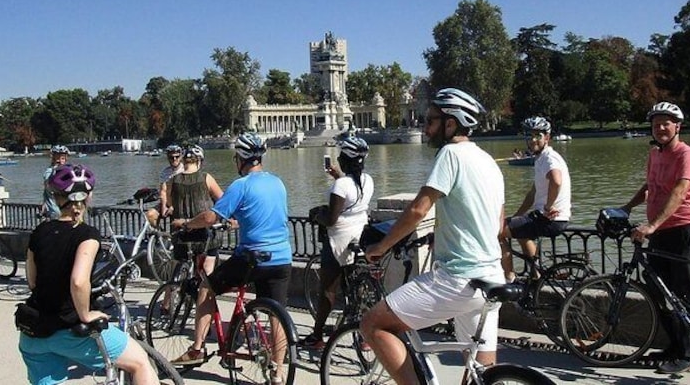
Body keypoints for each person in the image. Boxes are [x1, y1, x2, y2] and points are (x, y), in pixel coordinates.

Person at [360, 88, 505, 384]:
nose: (425, 127)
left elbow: (417, 210)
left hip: (456, 279)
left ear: (450, 123)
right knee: (482, 374)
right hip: (491, 277)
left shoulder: (450, 154)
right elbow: (498, 224)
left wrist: (381, 247)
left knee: (373, 324)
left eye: (430, 120)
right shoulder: (489, 162)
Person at [18, 164, 160, 385]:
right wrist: (85, 314)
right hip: (69, 329)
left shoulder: (39, 232)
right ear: (88, 197)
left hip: (33, 330)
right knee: (140, 362)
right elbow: (78, 281)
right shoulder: (87, 235)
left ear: (55, 198)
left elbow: (32, 282)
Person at [172, 133, 292, 384]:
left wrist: (187, 224)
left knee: (206, 287)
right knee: (276, 313)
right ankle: (279, 370)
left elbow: (210, 217)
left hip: (253, 258)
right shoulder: (278, 182)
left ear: (242, 159)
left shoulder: (241, 185)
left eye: (236, 158)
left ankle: (197, 348)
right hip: (282, 257)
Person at [620, 102, 690, 374]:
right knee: (657, 290)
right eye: (656, 124)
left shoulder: (686, 154)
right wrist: (626, 207)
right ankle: (675, 345)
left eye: (666, 123)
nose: (661, 128)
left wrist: (652, 225)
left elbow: (679, 192)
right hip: (658, 232)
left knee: (683, 292)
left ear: (677, 126)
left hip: (682, 231)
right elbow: (650, 187)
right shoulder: (655, 154)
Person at [302, 136, 375, 350]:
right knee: (355, 288)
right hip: (360, 235)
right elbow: (352, 196)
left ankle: (317, 337)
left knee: (328, 291)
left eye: (341, 156)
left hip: (338, 241)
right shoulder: (367, 180)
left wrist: (316, 216)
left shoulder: (341, 185)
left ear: (345, 158)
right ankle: (363, 337)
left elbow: (331, 219)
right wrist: (338, 176)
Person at [500, 116, 571, 282]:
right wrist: (516, 216)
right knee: (520, 231)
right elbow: (532, 193)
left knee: (497, 231)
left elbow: (556, 180)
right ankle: (536, 275)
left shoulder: (549, 158)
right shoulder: (540, 159)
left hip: (551, 218)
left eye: (538, 135)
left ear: (547, 137)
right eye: (529, 136)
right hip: (549, 217)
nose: (533, 140)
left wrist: (548, 206)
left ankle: (509, 276)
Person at [157, 145, 223, 317]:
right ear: (199, 161)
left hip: (181, 236)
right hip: (204, 235)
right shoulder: (206, 178)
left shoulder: (174, 181)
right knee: (207, 273)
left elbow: (170, 204)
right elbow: (223, 201)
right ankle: (208, 313)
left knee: (178, 268)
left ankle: (170, 302)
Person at [145, 144, 184, 227]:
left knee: (177, 222)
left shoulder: (185, 170)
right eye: (171, 157)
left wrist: (174, 206)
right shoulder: (165, 172)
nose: (174, 159)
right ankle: (161, 236)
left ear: (181, 156)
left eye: (177, 157)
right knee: (150, 215)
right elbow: (163, 191)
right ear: (167, 157)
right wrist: (163, 207)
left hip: (182, 203)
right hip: (167, 202)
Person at [41, 145, 70, 220]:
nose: (60, 161)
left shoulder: (68, 171)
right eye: (57, 158)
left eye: (63, 158)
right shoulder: (50, 171)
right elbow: (47, 187)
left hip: (68, 209)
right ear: (53, 158)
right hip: (54, 210)